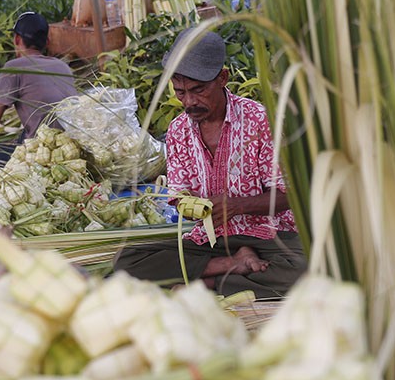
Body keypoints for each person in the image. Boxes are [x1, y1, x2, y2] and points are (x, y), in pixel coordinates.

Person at [113, 29, 307, 299]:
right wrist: (189, 205)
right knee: (126, 260)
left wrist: (237, 205)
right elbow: (179, 196)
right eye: (180, 92)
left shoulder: (260, 120)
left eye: (198, 90)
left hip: (267, 238)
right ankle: (228, 266)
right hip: (210, 240)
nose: (189, 102)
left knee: (307, 270)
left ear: (222, 78)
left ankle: (209, 282)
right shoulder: (178, 130)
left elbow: (288, 196)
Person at [0, 12, 77, 178]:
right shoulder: (63, 67)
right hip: (69, 149)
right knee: (21, 137)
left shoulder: (14, 67)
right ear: (47, 42)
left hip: (39, 156)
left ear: (17, 39)